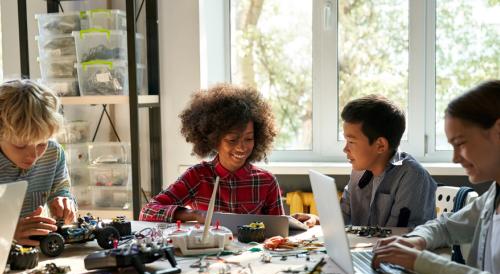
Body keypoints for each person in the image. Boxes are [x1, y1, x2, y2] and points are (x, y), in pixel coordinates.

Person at [372, 80, 500, 274]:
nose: (455, 158)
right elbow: (445, 226)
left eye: (461, 143)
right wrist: (417, 240)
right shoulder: (493, 196)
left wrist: (422, 261)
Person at [140, 83, 284, 222]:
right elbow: (148, 211)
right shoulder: (198, 177)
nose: (242, 147)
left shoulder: (267, 182)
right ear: (214, 140)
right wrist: (195, 214)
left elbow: (280, 232)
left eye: (248, 138)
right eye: (232, 140)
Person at [295, 95, 436, 227]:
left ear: (380, 145)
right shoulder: (358, 172)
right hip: (366, 250)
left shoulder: (414, 177)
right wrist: (317, 222)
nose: (345, 149)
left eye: (351, 141)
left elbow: (399, 238)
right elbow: (341, 221)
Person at [0, 79, 76, 246]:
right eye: (20, 145)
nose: (33, 155)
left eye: (42, 143)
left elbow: (62, 194)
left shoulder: (53, 153)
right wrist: (6, 234)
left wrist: (66, 205)